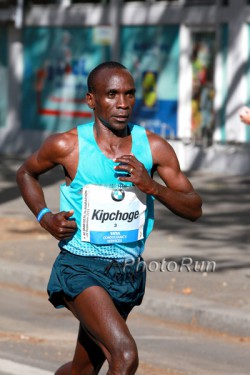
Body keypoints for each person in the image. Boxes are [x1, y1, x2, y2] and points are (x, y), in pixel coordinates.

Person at [16, 61, 202, 375]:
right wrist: (45, 216)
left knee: (82, 370)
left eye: (129, 94)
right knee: (125, 355)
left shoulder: (154, 148)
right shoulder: (68, 146)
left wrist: (151, 186)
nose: (123, 104)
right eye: (112, 94)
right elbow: (26, 173)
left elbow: (194, 208)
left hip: (127, 272)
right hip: (80, 265)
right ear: (91, 100)